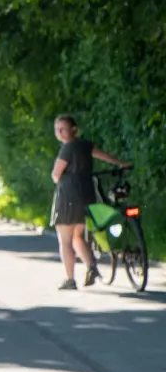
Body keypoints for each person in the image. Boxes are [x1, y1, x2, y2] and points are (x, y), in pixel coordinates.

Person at [50, 114, 130, 290]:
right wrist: (122, 164)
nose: (59, 132)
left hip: (68, 196)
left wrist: (60, 178)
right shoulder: (86, 145)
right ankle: (91, 267)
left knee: (64, 239)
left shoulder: (67, 148)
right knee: (77, 235)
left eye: (62, 128)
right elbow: (106, 157)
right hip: (87, 194)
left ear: (73, 129)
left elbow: (56, 175)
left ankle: (70, 279)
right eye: (57, 129)